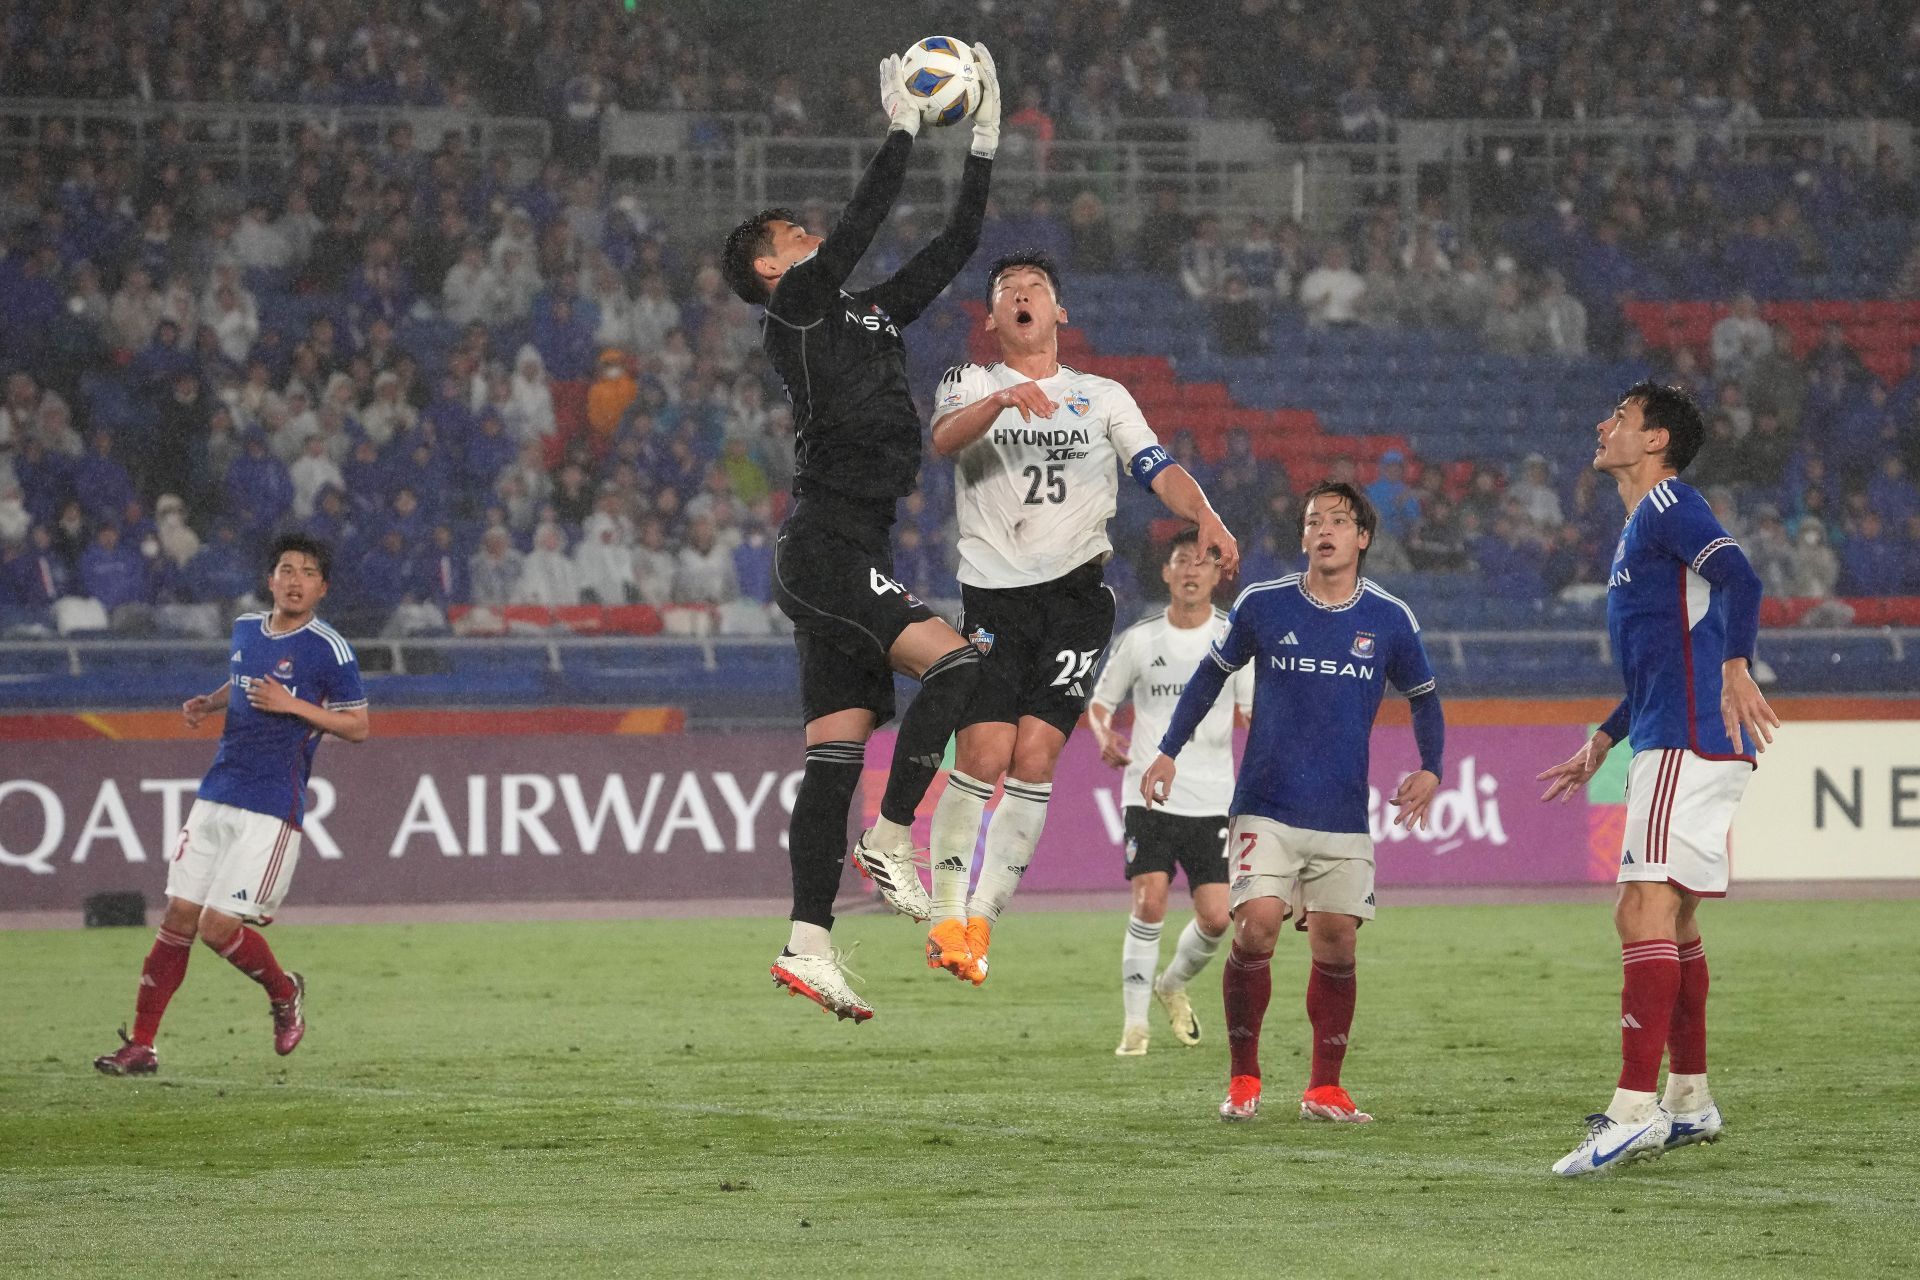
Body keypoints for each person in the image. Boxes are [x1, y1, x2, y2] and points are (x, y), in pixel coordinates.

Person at [717, 45, 1003, 1021]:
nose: (811, 237)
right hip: (826, 545)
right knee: (961, 667)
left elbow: (957, 243)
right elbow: (863, 223)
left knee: (834, 754)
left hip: (848, 552)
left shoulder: (867, 313)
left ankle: (807, 945)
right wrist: (900, 126)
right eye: (791, 232)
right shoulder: (794, 308)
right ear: (769, 265)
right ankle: (892, 836)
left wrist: (985, 136)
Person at [921, 250, 1240, 988]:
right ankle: (943, 914)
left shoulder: (1102, 397)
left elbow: (1157, 469)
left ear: (1059, 312)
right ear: (993, 316)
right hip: (995, 595)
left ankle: (980, 924)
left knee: (1033, 762)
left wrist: (1208, 515)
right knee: (982, 756)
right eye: (1009, 292)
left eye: (1036, 289)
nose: (1023, 297)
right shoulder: (971, 383)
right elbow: (941, 441)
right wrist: (1003, 403)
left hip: (1074, 601)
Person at [1141, 482, 1445, 1125]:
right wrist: (1167, 749)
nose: (1325, 530)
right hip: (1265, 803)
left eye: (1339, 520)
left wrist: (1431, 767)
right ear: (1303, 537)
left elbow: (1423, 694)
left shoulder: (1389, 618)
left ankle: (1324, 1088)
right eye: (1314, 521)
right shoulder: (1264, 604)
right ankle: (1244, 1079)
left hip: (1340, 812)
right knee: (1256, 926)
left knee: (1337, 946)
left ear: (1362, 538)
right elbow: (1210, 676)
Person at [1536, 381, 1777, 1177]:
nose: (1604, 425)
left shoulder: (1670, 505)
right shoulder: (1642, 523)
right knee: (1671, 921)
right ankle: (1689, 1100)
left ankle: (1632, 1111)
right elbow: (1659, 660)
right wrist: (1604, 738)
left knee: (1639, 906)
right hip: (1673, 734)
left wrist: (1737, 664)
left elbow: (1742, 579)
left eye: (1622, 418)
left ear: (1655, 441)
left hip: (1687, 741)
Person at [93, 534, 370, 1076]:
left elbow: (359, 726)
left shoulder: (330, 649)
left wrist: (294, 705)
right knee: (177, 917)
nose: (295, 580)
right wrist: (211, 701)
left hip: (271, 807)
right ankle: (143, 1046)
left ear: (322, 588)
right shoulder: (246, 628)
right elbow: (243, 680)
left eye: (308, 572)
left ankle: (285, 991)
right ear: (270, 580)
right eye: (286, 569)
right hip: (217, 793)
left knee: (218, 929)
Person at [1088, 530, 1252, 1055]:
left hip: (1213, 798)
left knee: (1216, 917)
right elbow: (1100, 703)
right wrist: (1103, 735)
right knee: (1150, 900)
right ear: (1166, 572)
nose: (1190, 571)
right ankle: (1134, 1027)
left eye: (1202, 563)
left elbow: (1252, 713)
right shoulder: (1140, 639)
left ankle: (1171, 984)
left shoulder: (1233, 639)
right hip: (1149, 793)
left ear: (1215, 575)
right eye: (1181, 561)